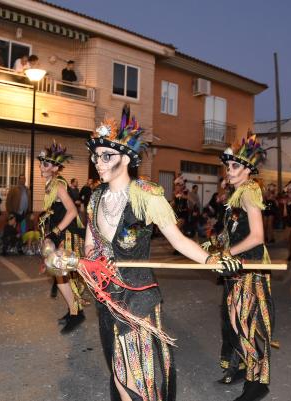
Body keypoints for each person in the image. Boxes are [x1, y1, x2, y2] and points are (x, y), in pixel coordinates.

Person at [76, 106, 234, 401]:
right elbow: (89, 243)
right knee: (118, 372)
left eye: (106, 156)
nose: (98, 162)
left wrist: (212, 260)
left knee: (133, 375)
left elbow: (179, 241)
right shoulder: (95, 197)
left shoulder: (146, 195)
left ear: (125, 157)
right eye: (96, 156)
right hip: (106, 296)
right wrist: (89, 261)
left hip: (137, 296)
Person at [212, 135, 273, 401]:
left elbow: (257, 236)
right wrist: (216, 245)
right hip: (236, 266)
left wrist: (227, 253)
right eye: (228, 167)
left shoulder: (248, 191)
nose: (229, 171)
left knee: (242, 323)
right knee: (235, 322)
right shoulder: (238, 194)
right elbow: (236, 232)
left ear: (248, 169)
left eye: (235, 166)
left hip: (249, 267)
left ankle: (257, 381)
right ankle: (244, 368)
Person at [37, 141, 87, 333]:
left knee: (62, 277)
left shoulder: (58, 185)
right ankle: (73, 310)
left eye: (46, 164)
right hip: (60, 234)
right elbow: (56, 210)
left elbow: (73, 211)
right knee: (62, 277)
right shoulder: (52, 184)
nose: (42, 166)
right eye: (41, 162)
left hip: (66, 235)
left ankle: (76, 313)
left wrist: (55, 233)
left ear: (56, 167)